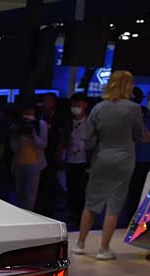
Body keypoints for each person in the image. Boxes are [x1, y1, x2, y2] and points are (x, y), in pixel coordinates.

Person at [73, 71, 145, 260]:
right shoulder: (133, 108)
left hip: (101, 158)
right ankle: (103, 249)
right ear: (128, 85)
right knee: (114, 203)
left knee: (91, 202)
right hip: (124, 159)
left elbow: (89, 140)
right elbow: (139, 134)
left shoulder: (98, 108)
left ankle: (80, 244)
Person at [10, 103, 48, 211]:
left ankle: (29, 215)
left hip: (34, 164)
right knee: (19, 195)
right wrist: (17, 133)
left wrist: (33, 134)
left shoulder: (40, 124)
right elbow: (13, 147)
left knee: (30, 196)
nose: (28, 114)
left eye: (31, 112)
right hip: (18, 163)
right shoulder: (16, 124)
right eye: (26, 112)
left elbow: (43, 145)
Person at [35, 93, 63, 218]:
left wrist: (59, 154)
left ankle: (49, 211)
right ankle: (39, 209)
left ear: (54, 103)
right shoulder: (40, 117)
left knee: (50, 182)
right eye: (44, 100)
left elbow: (62, 138)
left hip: (52, 154)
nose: (45, 103)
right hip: (41, 154)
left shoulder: (58, 118)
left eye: (48, 100)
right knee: (40, 183)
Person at [125, 87, 150, 224]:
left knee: (143, 192)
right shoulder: (132, 114)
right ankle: (133, 220)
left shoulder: (145, 114)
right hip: (133, 159)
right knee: (134, 192)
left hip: (144, 159)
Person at [65, 93, 89, 228]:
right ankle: (72, 215)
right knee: (71, 189)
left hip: (84, 161)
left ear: (85, 105)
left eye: (78, 105)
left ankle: (82, 217)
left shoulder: (90, 122)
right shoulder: (68, 122)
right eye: (73, 105)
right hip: (70, 160)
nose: (75, 107)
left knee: (82, 190)